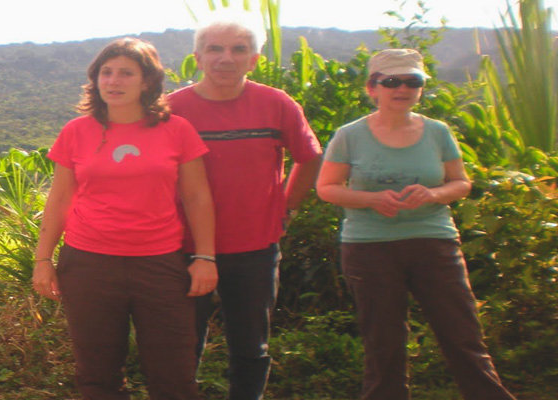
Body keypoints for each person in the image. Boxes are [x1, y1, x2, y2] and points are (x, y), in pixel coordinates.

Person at [316, 48, 517, 400]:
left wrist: (434, 194)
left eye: (413, 81)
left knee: (462, 334)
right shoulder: (350, 135)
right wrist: (372, 199)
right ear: (372, 87)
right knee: (384, 343)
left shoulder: (437, 132)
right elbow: (326, 188)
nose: (402, 89)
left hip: (433, 241)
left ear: (422, 87)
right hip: (369, 247)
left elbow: (462, 183)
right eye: (391, 81)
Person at [31, 37, 216, 400]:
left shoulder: (176, 129)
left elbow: (197, 197)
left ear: (147, 82)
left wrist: (206, 257)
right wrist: (42, 259)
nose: (113, 81)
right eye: (106, 72)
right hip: (88, 264)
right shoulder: (76, 131)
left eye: (126, 73)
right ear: (95, 79)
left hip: (160, 263)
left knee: (174, 372)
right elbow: (60, 199)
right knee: (97, 372)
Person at [166, 18, 323, 400]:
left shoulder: (276, 104)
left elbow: (310, 157)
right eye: (215, 49)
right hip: (183, 246)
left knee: (251, 347)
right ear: (197, 58)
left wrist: (285, 209)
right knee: (182, 348)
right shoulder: (172, 109)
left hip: (255, 247)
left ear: (253, 59)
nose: (226, 58)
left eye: (238, 49)